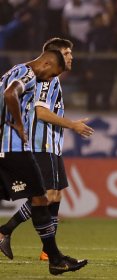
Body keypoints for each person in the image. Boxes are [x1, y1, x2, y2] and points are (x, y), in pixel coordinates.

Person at [0, 38, 94, 261]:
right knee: (45, 195)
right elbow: (40, 111)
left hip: (49, 144)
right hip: (40, 144)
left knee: (55, 193)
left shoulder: (46, 76)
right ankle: (8, 231)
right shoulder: (44, 77)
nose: (71, 57)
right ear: (53, 57)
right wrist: (72, 125)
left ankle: (48, 250)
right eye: (67, 53)